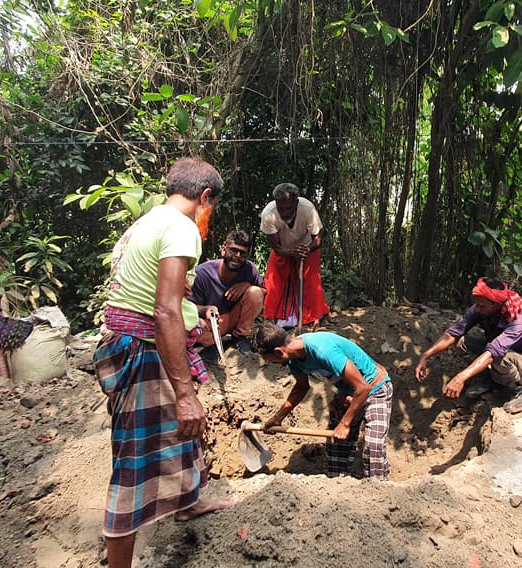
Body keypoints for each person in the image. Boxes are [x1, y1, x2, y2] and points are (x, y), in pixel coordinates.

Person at [92, 157, 233, 568]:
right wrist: (185, 392)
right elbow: (165, 312)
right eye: (212, 207)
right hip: (140, 350)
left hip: (133, 343)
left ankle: (187, 502)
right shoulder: (182, 227)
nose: (209, 216)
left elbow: (166, 294)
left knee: (183, 433)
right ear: (205, 197)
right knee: (135, 464)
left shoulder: (151, 219)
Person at [251, 322, 393, 479]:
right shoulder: (294, 359)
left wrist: (344, 424)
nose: (270, 363)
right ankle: (338, 489)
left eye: (268, 359)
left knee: (374, 446)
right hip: (349, 393)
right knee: (336, 446)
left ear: (278, 352)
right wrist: (278, 418)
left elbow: (363, 387)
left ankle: (379, 491)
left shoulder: (322, 350)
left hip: (375, 388)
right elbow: (301, 387)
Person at [414, 278, 522, 414]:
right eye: (477, 305)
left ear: (496, 305)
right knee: (462, 342)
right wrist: (425, 356)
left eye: (482, 306)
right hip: (498, 352)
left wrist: (460, 377)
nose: (477, 309)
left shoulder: (517, 321)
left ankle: (515, 390)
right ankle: (487, 377)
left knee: (499, 358)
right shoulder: (481, 309)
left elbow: (493, 352)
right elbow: (452, 334)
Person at [260, 183, 330, 329]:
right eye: (281, 208)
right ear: (276, 203)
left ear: (296, 203)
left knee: (311, 280)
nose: (285, 213)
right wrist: (291, 253)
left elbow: (317, 239)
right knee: (274, 280)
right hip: (283, 249)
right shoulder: (268, 214)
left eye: (289, 208)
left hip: (307, 246)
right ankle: (271, 317)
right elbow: (276, 247)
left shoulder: (308, 209)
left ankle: (313, 316)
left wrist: (307, 250)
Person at [188, 230, 265, 363]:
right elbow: (188, 308)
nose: (237, 256)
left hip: (234, 317)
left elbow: (264, 290)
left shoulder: (249, 269)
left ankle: (240, 336)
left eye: (243, 253)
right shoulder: (202, 274)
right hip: (212, 324)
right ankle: (210, 345)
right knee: (189, 325)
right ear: (223, 250)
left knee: (255, 292)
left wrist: (246, 285)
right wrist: (205, 309)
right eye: (233, 250)